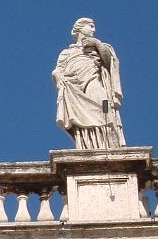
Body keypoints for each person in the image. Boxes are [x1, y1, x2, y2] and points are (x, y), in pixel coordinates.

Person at [52, 18, 125, 149]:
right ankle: (88, 146)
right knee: (80, 119)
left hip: (93, 83)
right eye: (90, 26)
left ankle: (108, 142)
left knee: (105, 107)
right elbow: (57, 70)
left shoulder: (99, 47)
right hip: (75, 90)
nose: (94, 29)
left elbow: (110, 63)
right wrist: (58, 77)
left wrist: (97, 44)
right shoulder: (67, 52)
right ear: (80, 29)